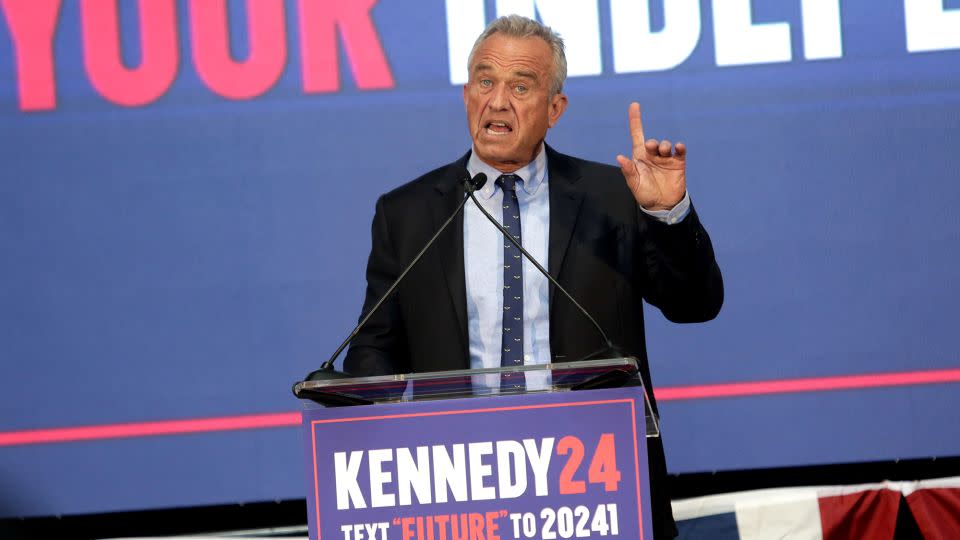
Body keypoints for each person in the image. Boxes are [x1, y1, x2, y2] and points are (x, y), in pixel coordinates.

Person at [340, 15, 723, 539]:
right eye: (485, 80)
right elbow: (375, 346)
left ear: (554, 109)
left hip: (595, 486)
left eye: (521, 86)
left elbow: (694, 303)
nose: (498, 101)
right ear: (466, 93)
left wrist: (668, 214)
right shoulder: (408, 214)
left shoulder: (614, 197)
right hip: (461, 492)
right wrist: (375, 410)